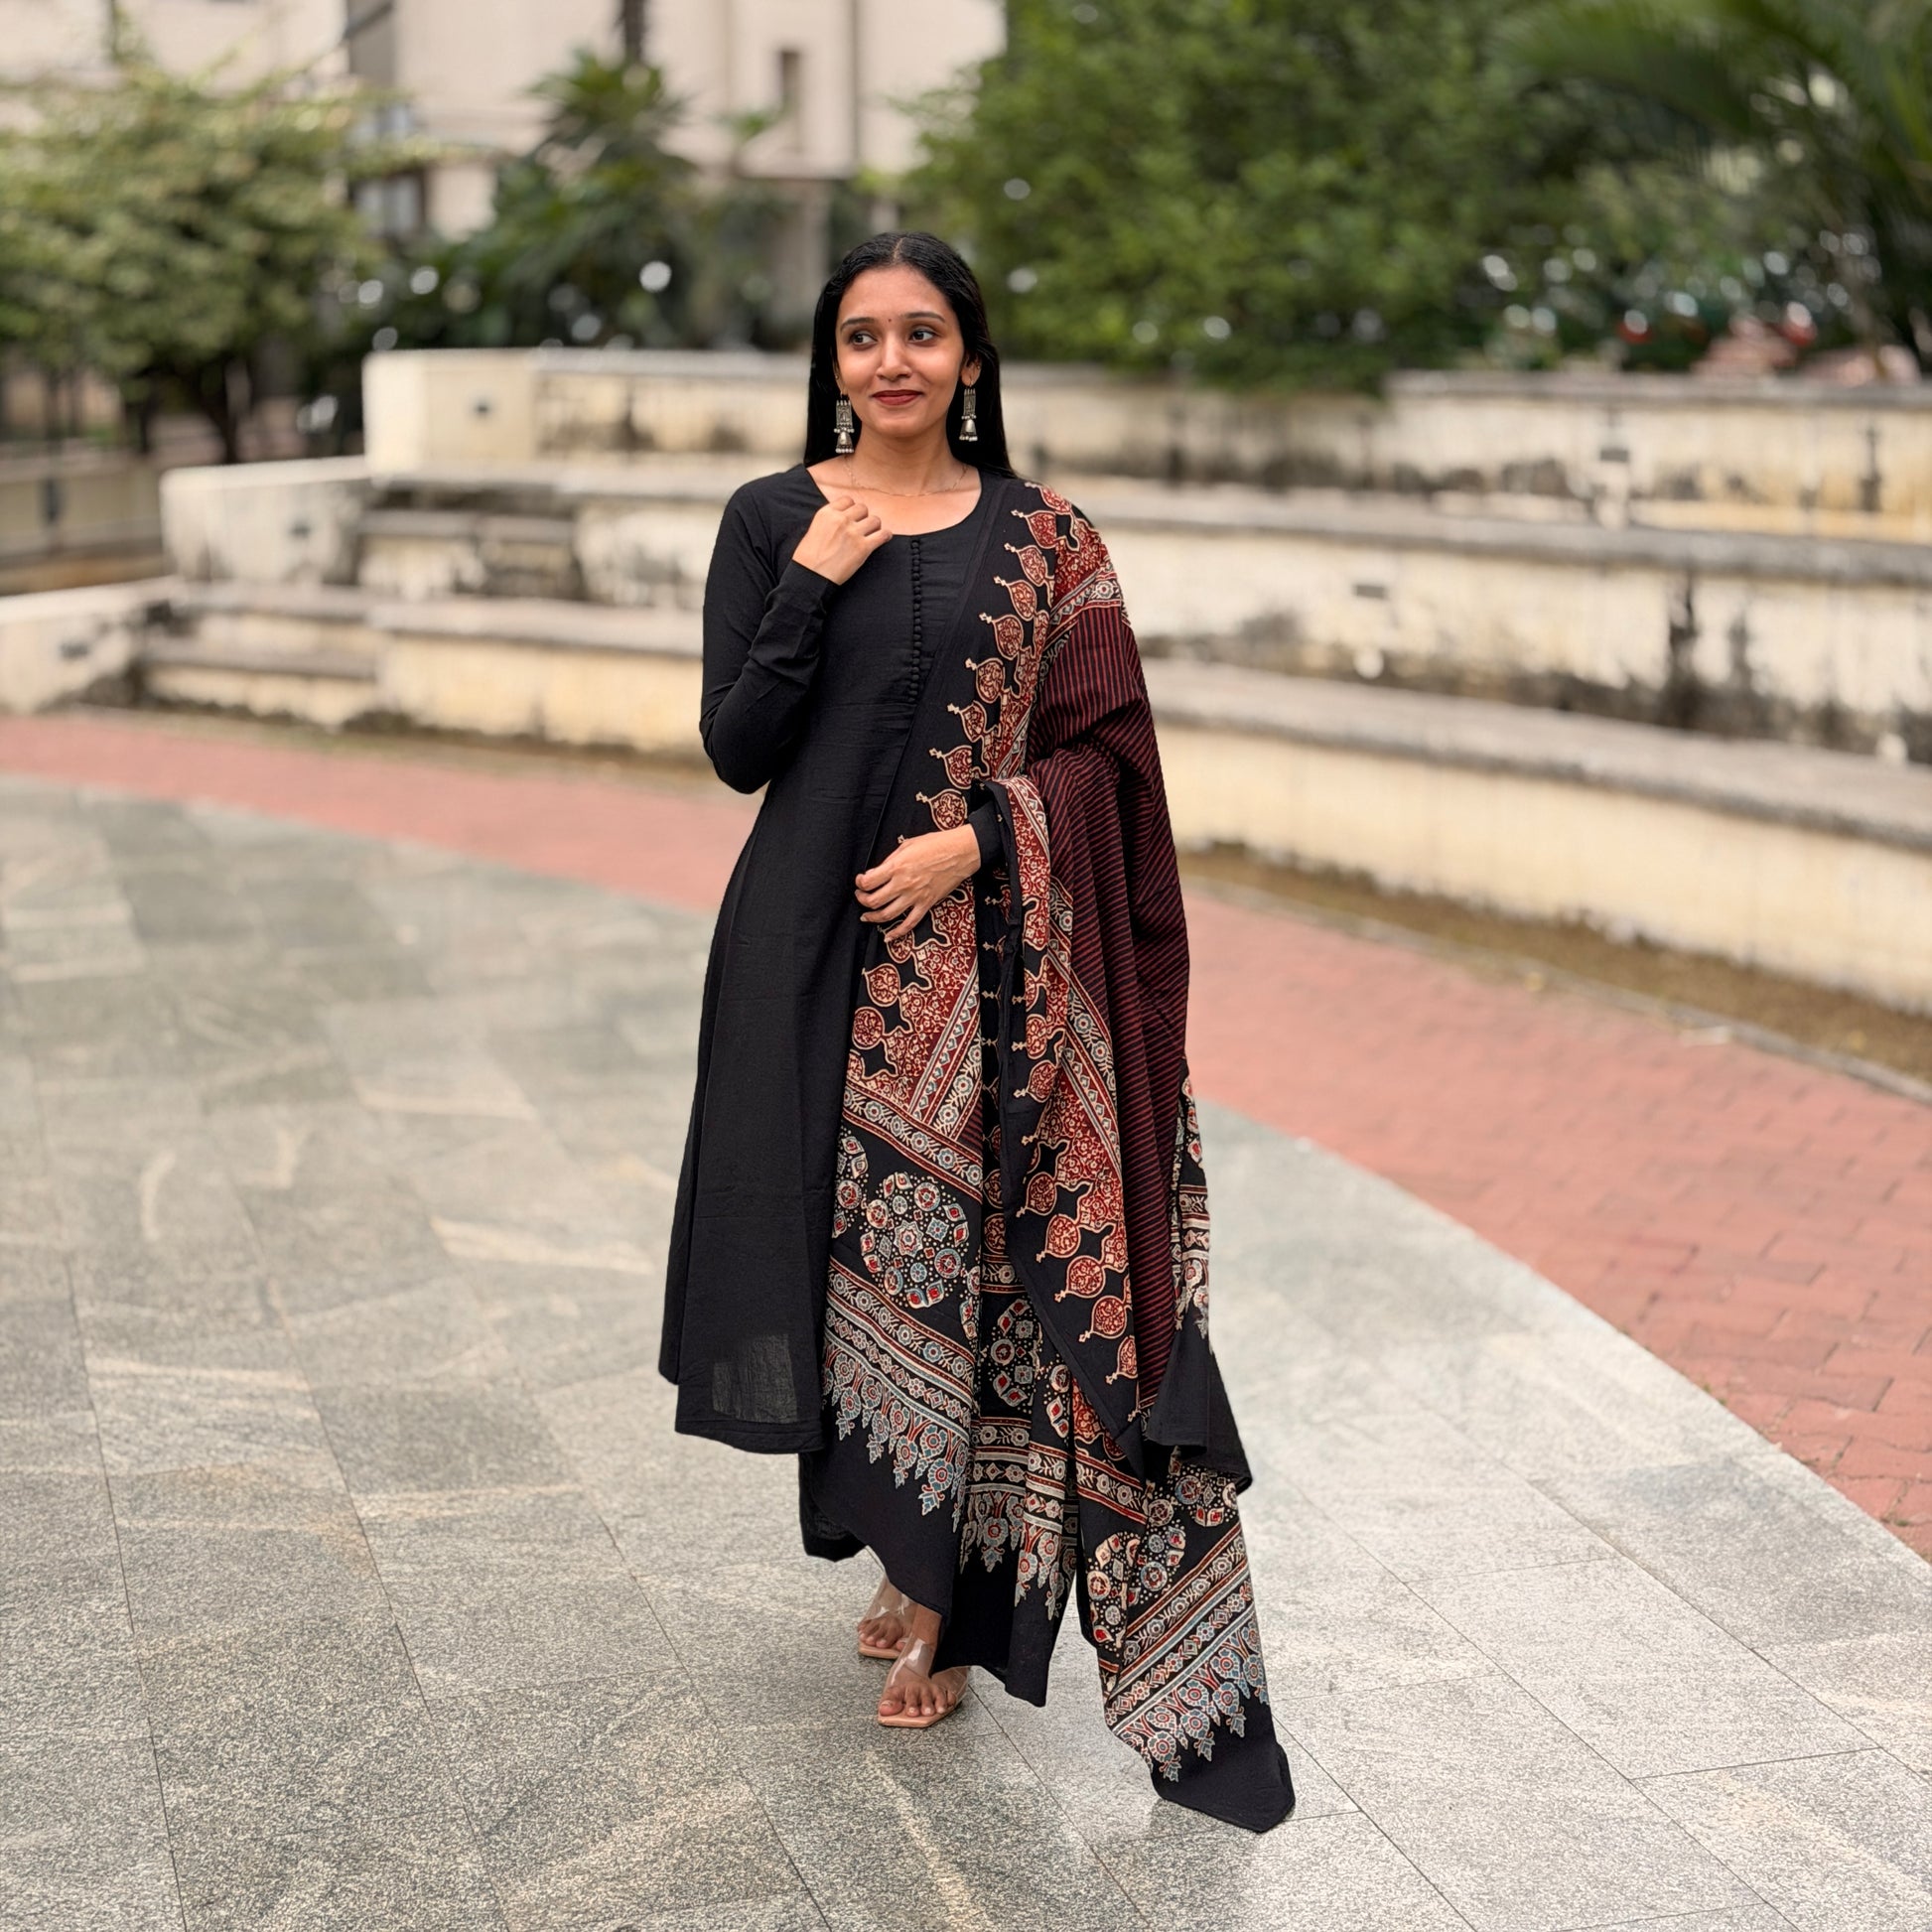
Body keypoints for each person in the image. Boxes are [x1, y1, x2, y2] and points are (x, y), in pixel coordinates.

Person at [661, 231, 1295, 1833]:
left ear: (970, 358)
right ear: (831, 361)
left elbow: (1112, 762)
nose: (892, 360)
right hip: (804, 950)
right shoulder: (771, 518)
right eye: (861, 335)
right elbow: (738, 744)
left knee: (979, 1262)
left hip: (992, 961)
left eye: (922, 333)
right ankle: (898, 1543)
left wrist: (981, 840)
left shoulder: (1048, 539)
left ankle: (944, 1598)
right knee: (842, 1255)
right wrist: (812, 581)